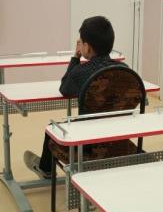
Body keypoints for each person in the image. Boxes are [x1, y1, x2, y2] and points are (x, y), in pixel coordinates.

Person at [23, 15, 119, 179]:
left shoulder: (82, 72)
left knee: (52, 129)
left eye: (81, 42)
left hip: (88, 141)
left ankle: (46, 169)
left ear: (86, 47)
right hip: (117, 137)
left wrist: (75, 57)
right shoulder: (123, 69)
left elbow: (65, 89)